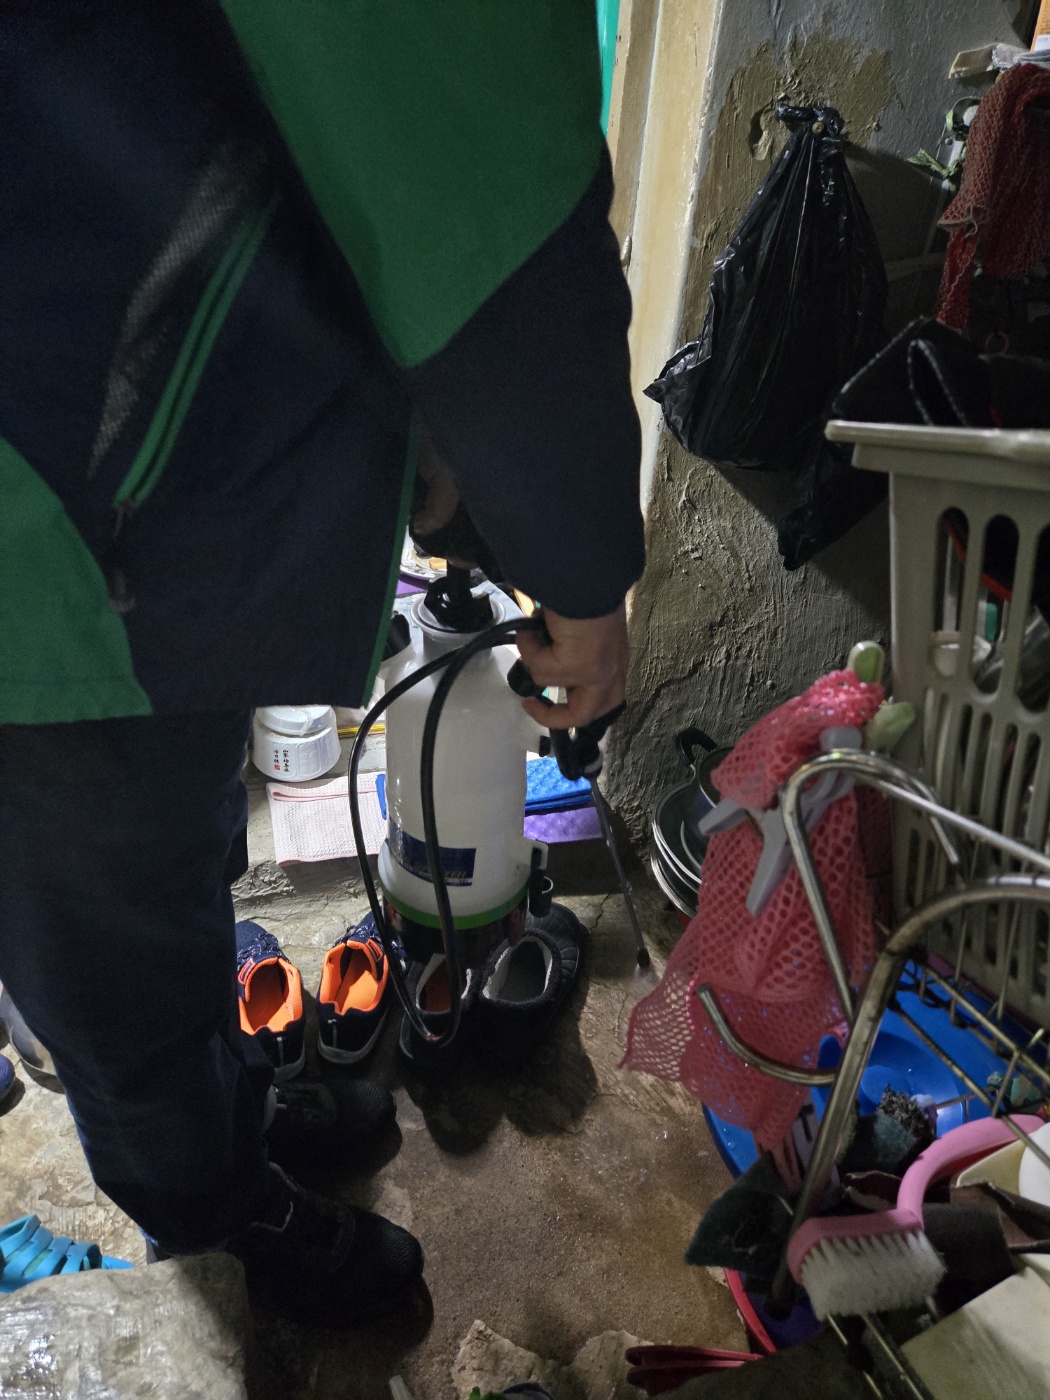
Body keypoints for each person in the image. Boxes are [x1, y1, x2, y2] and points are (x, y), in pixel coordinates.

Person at [0, 3, 644, 1317]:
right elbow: (482, 210)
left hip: (101, 465)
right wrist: (578, 565)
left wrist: (412, 449)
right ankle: (221, 1228)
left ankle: (223, 1105)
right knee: (119, 971)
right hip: (50, 534)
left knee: (165, 860)